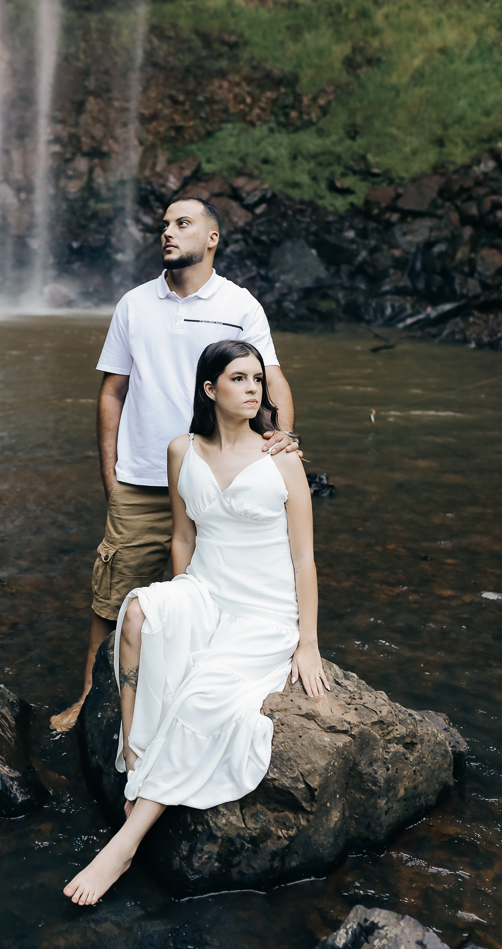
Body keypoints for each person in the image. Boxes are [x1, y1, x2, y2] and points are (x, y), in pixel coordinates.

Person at [64, 339, 327, 905]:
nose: (255, 388)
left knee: (204, 696)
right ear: (210, 389)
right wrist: (182, 595)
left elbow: (303, 557)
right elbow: (183, 536)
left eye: (258, 378)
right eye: (239, 378)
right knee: (136, 612)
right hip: (206, 590)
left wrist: (307, 641)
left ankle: (126, 843)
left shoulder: (281, 457)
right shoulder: (181, 449)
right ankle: (135, 752)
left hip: (263, 609)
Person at [50, 196, 300, 733]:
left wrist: (281, 439)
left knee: (213, 595)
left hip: (215, 480)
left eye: (182, 224)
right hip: (141, 480)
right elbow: (112, 392)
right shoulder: (134, 305)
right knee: (112, 596)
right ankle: (90, 699)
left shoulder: (240, 304)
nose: (168, 232)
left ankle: (194, 692)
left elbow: (270, 377)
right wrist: (110, 477)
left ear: (211, 238)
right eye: (164, 224)